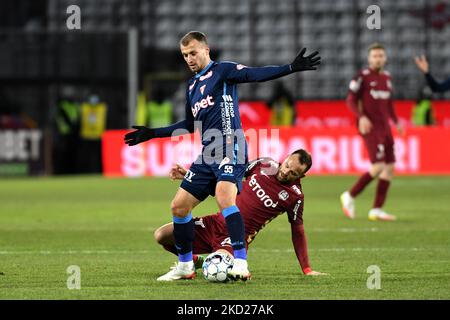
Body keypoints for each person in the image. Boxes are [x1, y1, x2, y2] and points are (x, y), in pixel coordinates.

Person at [124, 31, 321, 281]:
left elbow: (254, 75)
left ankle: (240, 262)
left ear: (206, 50)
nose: (189, 58)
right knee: (179, 206)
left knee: (224, 197)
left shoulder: (223, 71)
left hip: (231, 145)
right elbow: (190, 124)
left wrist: (291, 67)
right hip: (208, 152)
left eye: (193, 52)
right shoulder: (192, 86)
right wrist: (154, 133)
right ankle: (185, 266)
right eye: (185, 55)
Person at [154, 149, 328, 279]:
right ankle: (195, 261)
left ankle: (232, 265)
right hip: (215, 222)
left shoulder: (295, 196)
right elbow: (227, 177)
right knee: (162, 236)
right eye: (288, 165)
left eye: (294, 173)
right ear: (287, 158)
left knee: (216, 272)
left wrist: (307, 269)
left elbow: (298, 232)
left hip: (234, 238)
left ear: (302, 176)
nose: (286, 172)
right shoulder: (264, 164)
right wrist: (188, 175)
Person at [340, 43, 402, 221]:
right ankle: (349, 195)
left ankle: (376, 210)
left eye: (381, 55)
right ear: (369, 59)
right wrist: (362, 117)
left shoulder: (387, 78)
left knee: (390, 167)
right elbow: (350, 100)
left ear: (385, 58)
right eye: (375, 56)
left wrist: (396, 122)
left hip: (386, 128)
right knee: (378, 166)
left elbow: (388, 103)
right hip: (370, 127)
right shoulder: (362, 77)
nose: (378, 59)